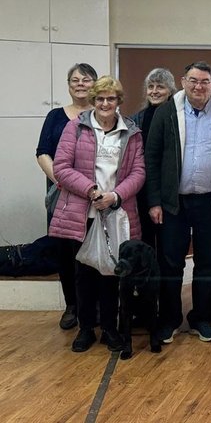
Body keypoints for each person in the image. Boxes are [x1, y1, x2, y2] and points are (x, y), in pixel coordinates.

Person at [145, 61, 211, 344]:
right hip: (173, 204)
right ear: (183, 81)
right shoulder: (166, 113)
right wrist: (154, 201)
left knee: (209, 262)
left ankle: (200, 316)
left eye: (205, 82)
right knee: (170, 262)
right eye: (193, 81)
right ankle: (171, 318)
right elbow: (151, 159)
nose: (199, 87)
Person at [49, 76, 145, 352]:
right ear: (93, 101)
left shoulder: (132, 132)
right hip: (82, 212)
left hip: (116, 211)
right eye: (100, 98)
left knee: (111, 274)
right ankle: (86, 328)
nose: (105, 103)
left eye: (111, 99)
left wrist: (115, 196)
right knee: (84, 273)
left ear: (118, 102)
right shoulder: (75, 128)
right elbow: (62, 168)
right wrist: (92, 191)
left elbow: (139, 173)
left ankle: (110, 330)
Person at [35, 63, 98, 330]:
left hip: (95, 194)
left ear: (94, 84)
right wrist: (62, 181)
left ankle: (96, 306)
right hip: (60, 192)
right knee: (65, 252)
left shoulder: (103, 113)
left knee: (94, 249)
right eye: (75, 80)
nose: (80, 84)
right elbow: (42, 152)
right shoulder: (55, 116)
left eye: (85, 80)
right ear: (68, 84)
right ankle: (72, 305)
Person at [131, 68, 177, 248]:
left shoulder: (177, 117)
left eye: (160, 87)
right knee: (145, 239)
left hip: (168, 188)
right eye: (151, 86)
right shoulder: (136, 119)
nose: (154, 91)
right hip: (142, 186)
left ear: (170, 91)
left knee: (168, 243)